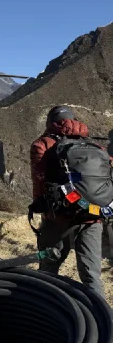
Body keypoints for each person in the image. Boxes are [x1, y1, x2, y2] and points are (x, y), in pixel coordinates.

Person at [30, 105, 106, 298]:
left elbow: (39, 178)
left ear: (50, 122)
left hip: (59, 217)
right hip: (93, 215)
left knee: (48, 268)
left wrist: (39, 202)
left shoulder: (43, 144)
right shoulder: (95, 147)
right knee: (92, 275)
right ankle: (102, 319)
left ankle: (42, 311)